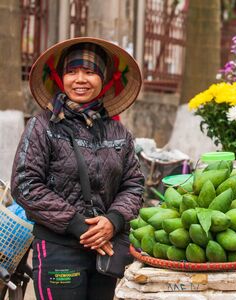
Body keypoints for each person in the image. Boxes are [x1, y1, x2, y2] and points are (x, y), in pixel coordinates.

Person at [10, 38, 144, 300]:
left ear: (103, 80)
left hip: (106, 249)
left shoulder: (119, 132)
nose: (80, 79)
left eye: (90, 72)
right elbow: (25, 184)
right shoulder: (42, 126)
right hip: (59, 248)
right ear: (61, 78)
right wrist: (77, 224)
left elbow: (134, 184)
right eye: (72, 71)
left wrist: (113, 220)